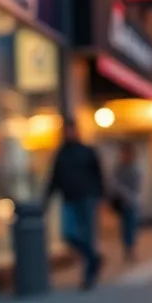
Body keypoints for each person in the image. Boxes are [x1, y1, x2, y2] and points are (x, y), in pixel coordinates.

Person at [45, 122, 105, 290]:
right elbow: (54, 178)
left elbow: (99, 175)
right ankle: (93, 257)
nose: (68, 134)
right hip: (69, 199)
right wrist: (46, 200)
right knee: (68, 233)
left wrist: (100, 195)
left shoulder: (87, 151)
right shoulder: (61, 154)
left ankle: (88, 276)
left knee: (87, 235)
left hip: (86, 198)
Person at [110, 144, 143, 262]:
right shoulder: (119, 169)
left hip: (132, 201)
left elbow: (137, 184)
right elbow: (114, 183)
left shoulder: (134, 169)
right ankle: (127, 247)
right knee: (125, 226)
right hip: (123, 202)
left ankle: (131, 247)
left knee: (131, 225)